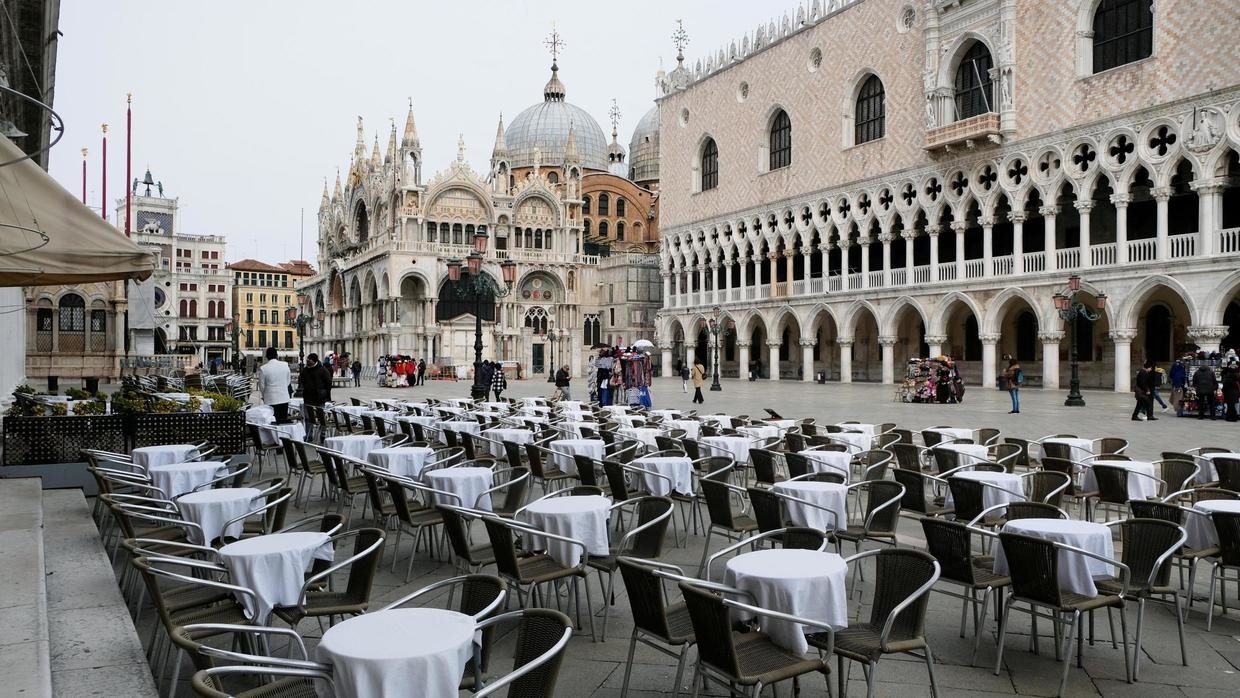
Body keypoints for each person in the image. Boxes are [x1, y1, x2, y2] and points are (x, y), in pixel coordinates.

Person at [299, 352, 333, 440]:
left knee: (321, 416)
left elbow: (328, 383)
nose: (307, 361)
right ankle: (309, 434)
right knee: (307, 417)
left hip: (319, 397)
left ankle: (323, 433)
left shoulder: (322, 370)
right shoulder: (305, 370)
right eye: (307, 360)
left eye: (309, 360)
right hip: (308, 397)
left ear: (314, 361)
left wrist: (325, 393)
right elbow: (301, 380)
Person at [257, 347, 292, 423]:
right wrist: (282, 387)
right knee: (283, 420)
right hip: (283, 397)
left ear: (266, 357)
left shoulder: (263, 368)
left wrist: (264, 395)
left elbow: (262, 385)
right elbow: (288, 381)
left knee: (272, 421)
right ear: (277, 355)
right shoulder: (285, 365)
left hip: (270, 398)